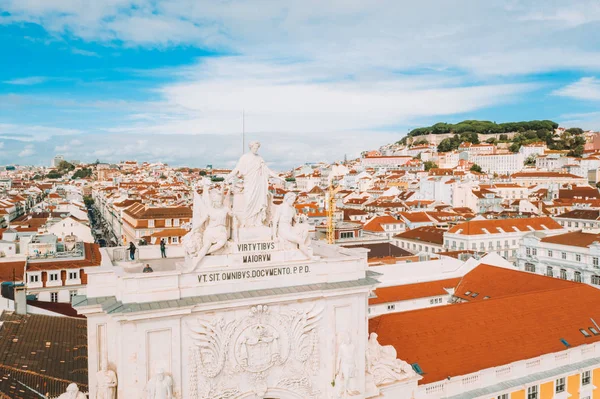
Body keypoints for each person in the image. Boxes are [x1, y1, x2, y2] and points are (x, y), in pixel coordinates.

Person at [226, 141, 284, 227]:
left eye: (257, 148)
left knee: (259, 203)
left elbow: (267, 171)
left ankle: (257, 222)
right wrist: (228, 177)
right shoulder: (245, 157)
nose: (256, 149)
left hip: (259, 184)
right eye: (254, 148)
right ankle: (246, 222)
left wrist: (279, 177)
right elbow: (237, 169)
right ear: (251, 147)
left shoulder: (259, 158)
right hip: (249, 184)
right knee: (248, 202)